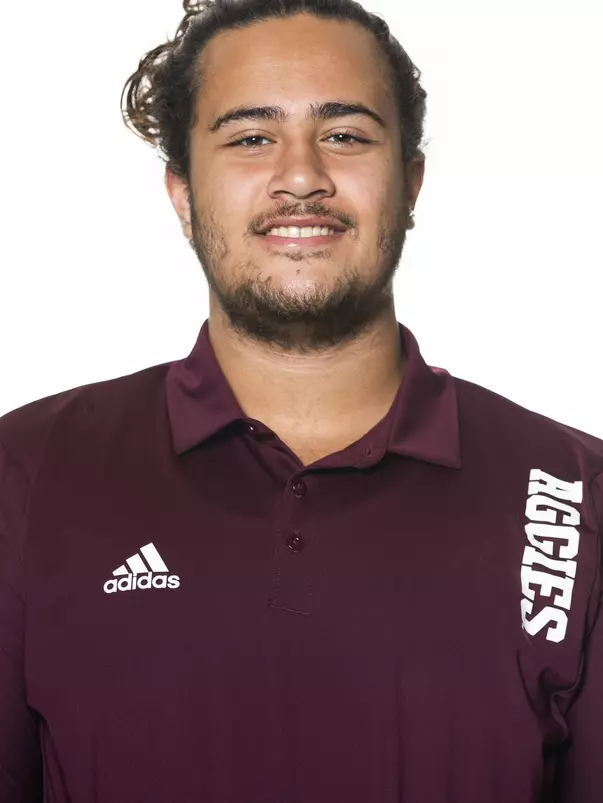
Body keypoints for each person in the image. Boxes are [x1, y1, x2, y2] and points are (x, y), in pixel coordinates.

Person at [1, 0, 602, 800]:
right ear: (182, 193)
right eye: (251, 138)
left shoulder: (573, 492)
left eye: (346, 135)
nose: (300, 176)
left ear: (410, 181)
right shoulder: (28, 478)